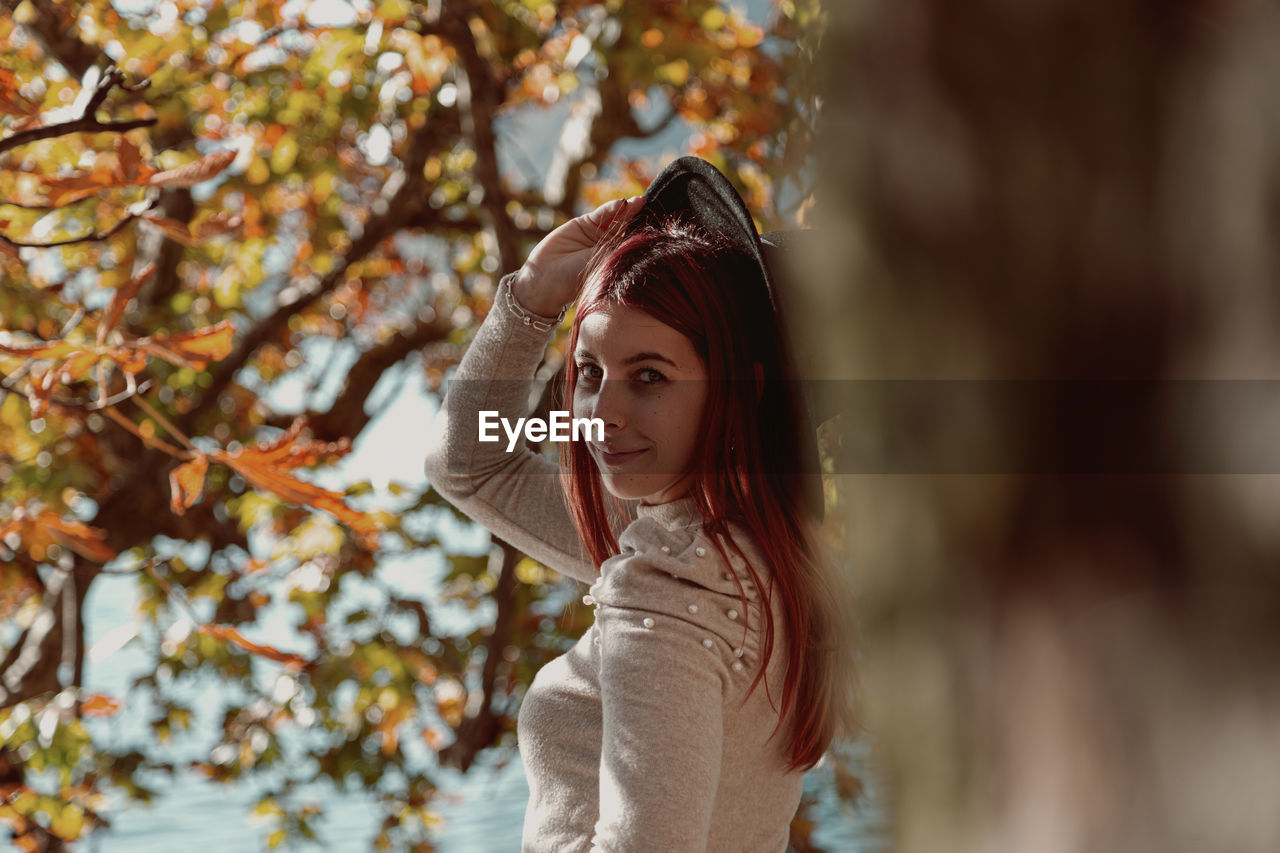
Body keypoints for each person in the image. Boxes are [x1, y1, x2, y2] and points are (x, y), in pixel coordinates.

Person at [423, 157, 844, 852]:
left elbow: (468, 467)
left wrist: (530, 302)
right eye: (589, 371)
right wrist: (528, 296)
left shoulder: (668, 589)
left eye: (649, 376)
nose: (601, 412)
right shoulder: (755, 551)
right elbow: (471, 462)